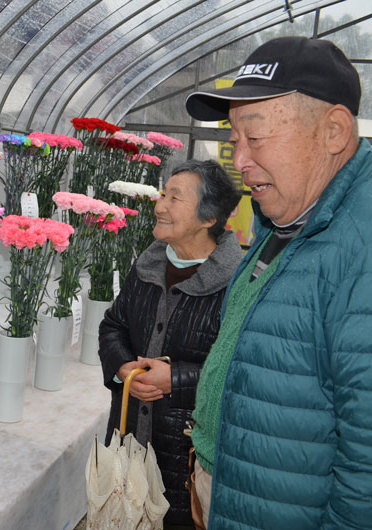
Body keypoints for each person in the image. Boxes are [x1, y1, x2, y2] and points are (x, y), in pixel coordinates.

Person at [185, 36, 372, 529]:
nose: (239, 159)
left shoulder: (361, 245)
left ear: (333, 131)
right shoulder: (286, 217)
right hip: (231, 495)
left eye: (256, 135)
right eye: (233, 139)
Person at [98, 159, 243, 529]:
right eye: (163, 193)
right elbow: (113, 326)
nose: (160, 204)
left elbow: (239, 369)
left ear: (209, 217)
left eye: (174, 197)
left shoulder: (237, 284)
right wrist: (122, 367)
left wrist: (174, 380)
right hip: (129, 442)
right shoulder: (147, 264)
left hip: (187, 462)